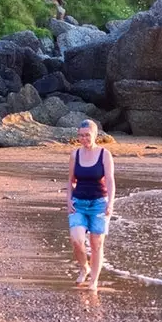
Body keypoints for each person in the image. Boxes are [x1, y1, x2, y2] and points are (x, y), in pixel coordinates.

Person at [66, 120, 115, 289]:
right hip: (78, 203)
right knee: (77, 240)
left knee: (96, 244)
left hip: (99, 204)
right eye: (81, 135)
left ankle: (93, 281)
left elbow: (110, 180)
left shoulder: (104, 154)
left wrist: (111, 203)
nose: (84, 138)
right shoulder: (75, 155)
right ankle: (84, 267)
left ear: (95, 135)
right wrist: (68, 201)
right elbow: (70, 181)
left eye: (87, 135)